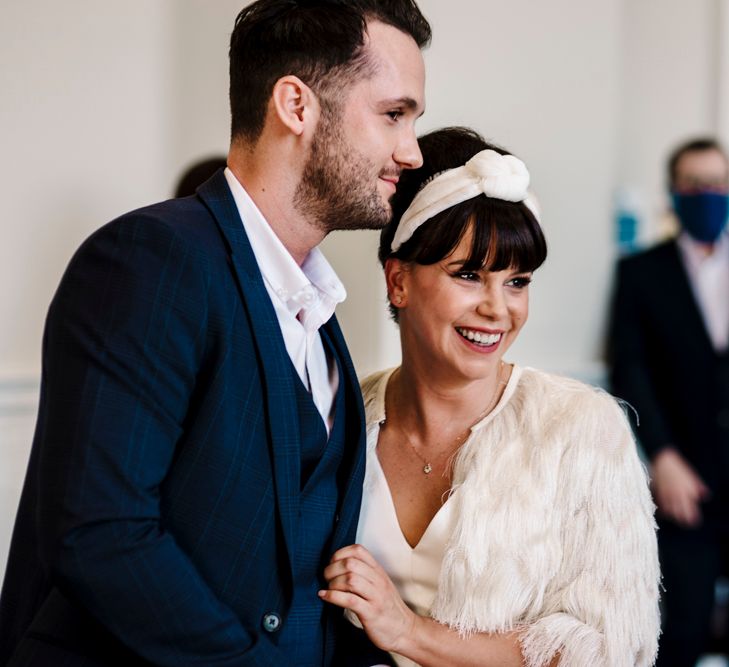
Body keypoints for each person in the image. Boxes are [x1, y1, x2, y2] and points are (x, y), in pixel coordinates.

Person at [0, 1, 430, 665]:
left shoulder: (316, 311)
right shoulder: (150, 258)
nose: (411, 150)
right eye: (393, 114)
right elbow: (101, 532)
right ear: (296, 105)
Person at [318, 127, 661, 666]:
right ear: (398, 281)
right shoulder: (343, 417)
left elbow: (612, 649)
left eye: (518, 281)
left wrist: (408, 632)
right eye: (470, 274)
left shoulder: (581, 431)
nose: (498, 309)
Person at [609, 137, 729, 666]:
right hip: (684, 478)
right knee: (680, 631)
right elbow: (629, 370)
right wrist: (661, 454)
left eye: (717, 183)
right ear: (674, 192)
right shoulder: (641, 273)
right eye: (695, 183)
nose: (707, 193)